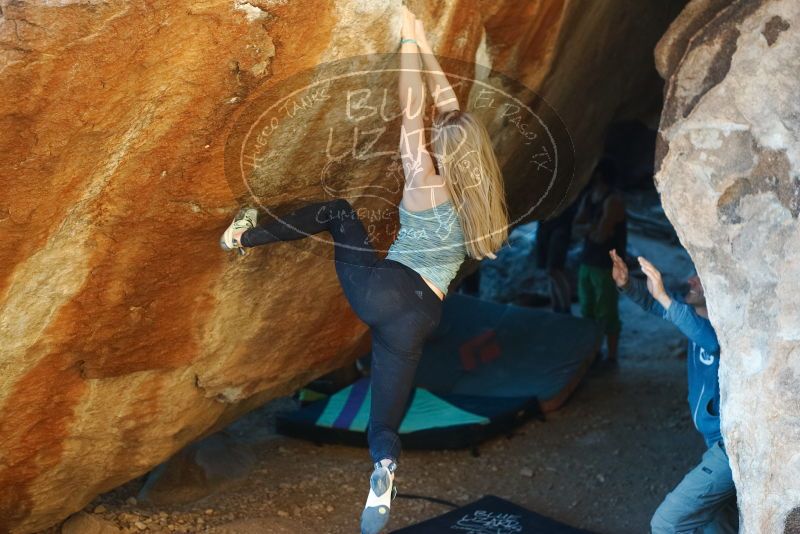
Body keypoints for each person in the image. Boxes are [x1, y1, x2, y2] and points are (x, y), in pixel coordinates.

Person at [219, 8, 510, 534]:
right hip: (421, 318)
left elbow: (413, 109)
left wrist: (405, 47)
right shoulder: (479, 192)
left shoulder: (425, 179)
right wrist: (421, 41)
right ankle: (384, 470)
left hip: (387, 291)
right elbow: (450, 115)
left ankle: (243, 236)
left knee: (338, 212)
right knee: (383, 421)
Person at [609, 250, 738, 533]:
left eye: (700, 277)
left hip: (729, 449)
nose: (691, 280)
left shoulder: (725, 330)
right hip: (714, 443)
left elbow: (712, 342)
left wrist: (665, 297)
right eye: (692, 272)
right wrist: (627, 284)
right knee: (717, 524)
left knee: (668, 523)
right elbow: (658, 308)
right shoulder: (691, 318)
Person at [573, 159, 626, 366]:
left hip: (608, 266)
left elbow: (600, 236)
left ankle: (611, 357)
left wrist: (590, 228)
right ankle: (593, 354)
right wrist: (593, 228)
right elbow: (577, 228)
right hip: (588, 261)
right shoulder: (590, 198)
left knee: (606, 311)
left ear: (598, 175)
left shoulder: (612, 201)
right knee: (587, 308)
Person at [535, 201, 578, 314]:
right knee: (549, 271)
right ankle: (557, 309)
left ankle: (566, 309)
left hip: (561, 223)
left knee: (553, 269)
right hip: (545, 224)